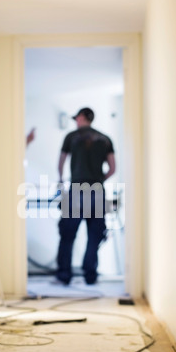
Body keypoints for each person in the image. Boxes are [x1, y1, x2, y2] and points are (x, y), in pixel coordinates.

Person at [56, 107, 116, 285]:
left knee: (68, 235)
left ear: (82, 118)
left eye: (77, 118)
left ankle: (64, 274)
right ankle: (90, 275)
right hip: (97, 190)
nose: (76, 121)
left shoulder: (71, 137)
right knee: (94, 235)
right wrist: (99, 180)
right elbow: (113, 168)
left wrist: (61, 182)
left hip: (76, 189)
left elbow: (60, 163)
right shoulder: (105, 139)